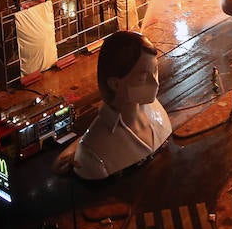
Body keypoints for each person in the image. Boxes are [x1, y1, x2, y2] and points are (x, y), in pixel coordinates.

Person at [62, 30, 173, 180]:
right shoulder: (93, 154)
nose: (156, 83)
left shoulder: (156, 110)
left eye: (155, 71)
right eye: (143, 77)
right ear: (115, 84)